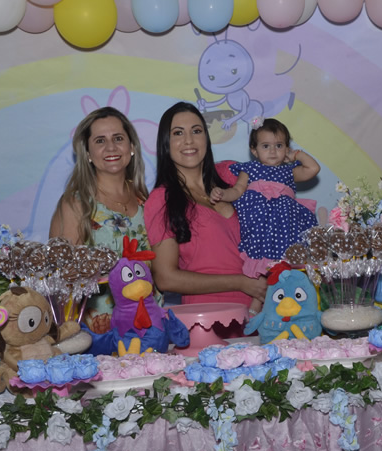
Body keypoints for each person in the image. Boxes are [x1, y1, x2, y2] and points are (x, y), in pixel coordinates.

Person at [144, 102, 267, 309]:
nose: (189, 140)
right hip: (208, 316)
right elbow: (165, 278)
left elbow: (275, 183)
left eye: (196, 131)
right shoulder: (161, 199)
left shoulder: (230, 174)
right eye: (178, 133)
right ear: (165, 143)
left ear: (206, 138)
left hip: (267, 312)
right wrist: (240, 282)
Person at [49, 106, 150, 333]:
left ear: (132, 147)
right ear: (87, 153)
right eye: (100, 141)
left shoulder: (146, 200)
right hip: (98, 335)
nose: (111, 147)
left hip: (150, 327)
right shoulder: (76, 204)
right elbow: (61, 283)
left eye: (118, 138)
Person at [209, 118, 319, 277]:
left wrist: (296, 154)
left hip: (286, 226)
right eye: (266, 146)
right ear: (254, 150)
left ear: (286, 148)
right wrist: (222, 194)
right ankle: (259, 282)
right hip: (259, 225)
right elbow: (237, 190)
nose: (273, 151)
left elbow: (313, 168)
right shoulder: (250, 169)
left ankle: (287, 278)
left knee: (288, 260)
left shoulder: (289, 171)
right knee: (259, 258)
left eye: (279, 146)